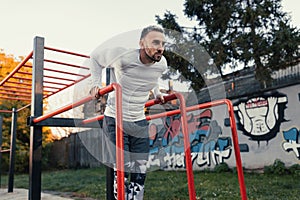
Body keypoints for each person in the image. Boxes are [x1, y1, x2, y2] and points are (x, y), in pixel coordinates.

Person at [87, 25, 167, 200]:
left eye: (163, 43)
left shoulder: (161, 63)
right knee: (123, 168)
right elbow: (94, 58)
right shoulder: (122, 56)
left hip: (139, 120)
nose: (160, 47)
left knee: (140, 170)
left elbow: (151, 76)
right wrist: (95, 83)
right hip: (115, 118)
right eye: (155, 42)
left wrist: (157, 92)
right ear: (141, 43)